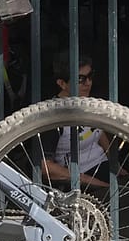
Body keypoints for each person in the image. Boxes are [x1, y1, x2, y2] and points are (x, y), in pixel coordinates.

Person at [42, 52, 112, 187]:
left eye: (90, 76)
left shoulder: (87, 100)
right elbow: (46, 167)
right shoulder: (54, 116)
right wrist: (94, 183)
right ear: (62, 83)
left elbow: (98, 131)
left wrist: (116, 165)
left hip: (103, 166)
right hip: (79, 178)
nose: (88, 83)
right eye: (81, 79)